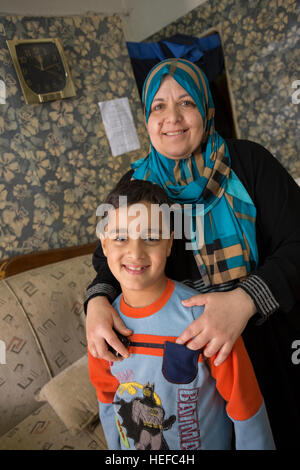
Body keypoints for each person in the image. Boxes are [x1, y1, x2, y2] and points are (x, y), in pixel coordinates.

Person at [85, 58, 300, 449]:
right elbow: (109, 256)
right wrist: (96, 302)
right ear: (147, 119)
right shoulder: (137, 184)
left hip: (266, 341)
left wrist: (244, 300)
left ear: (206, 108)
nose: (172, 118)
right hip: (190, 361)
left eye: (185, 102)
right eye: (158, 107)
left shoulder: (249, 163)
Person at [88, 178, 275, 450]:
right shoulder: (102, 326)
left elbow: (245, 406)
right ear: (104, 246)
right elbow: (107, 400)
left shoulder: (206, 319)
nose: (135, 252)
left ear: (169, 244)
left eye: (151, 237)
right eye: (120, 238)